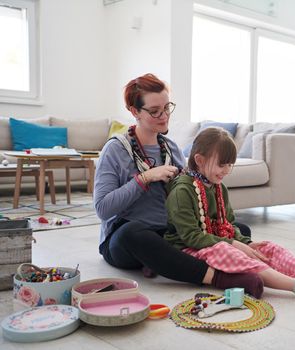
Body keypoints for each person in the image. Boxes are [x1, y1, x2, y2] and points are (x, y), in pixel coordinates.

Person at [94, 73, 263, 298]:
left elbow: (190, 193)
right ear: (135, 112)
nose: (164, 116)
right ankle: (220, 277)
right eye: (155, 111)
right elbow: (103, 209)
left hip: (169, 235)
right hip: (127, 239)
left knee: (240, 229)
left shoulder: (172, 148)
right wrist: (145, 178)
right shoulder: (114, 150)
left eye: (167, 108)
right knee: (133, 233)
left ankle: (165, 261)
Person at [164, 127, 295, 299]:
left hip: (219, 242)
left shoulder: (220, 188)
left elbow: (229, 224)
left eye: (230, 164)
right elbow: (191, 237)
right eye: (221, 164)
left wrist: (245, 243)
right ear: (199, 160)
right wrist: (234, 244)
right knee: (228, 251)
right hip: (190, 249)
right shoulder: (182, 191)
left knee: (266, 248)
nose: (226, 170)